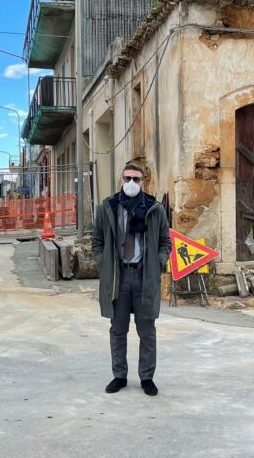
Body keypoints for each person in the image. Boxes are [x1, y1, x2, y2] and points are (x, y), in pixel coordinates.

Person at [92, 162, 171, 396]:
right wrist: (102, 262)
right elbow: (97, 239)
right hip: (118, 275)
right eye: (127, 178)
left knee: (147, 329)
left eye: (136, 179)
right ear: (120, 180)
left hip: (144, 275)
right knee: (117, 329)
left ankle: (147, 378)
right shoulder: (108, 207)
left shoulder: (154, 208)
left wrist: (158, 262)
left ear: (143, 182)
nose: (131, 183)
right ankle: (119, 376)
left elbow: (165, 241)